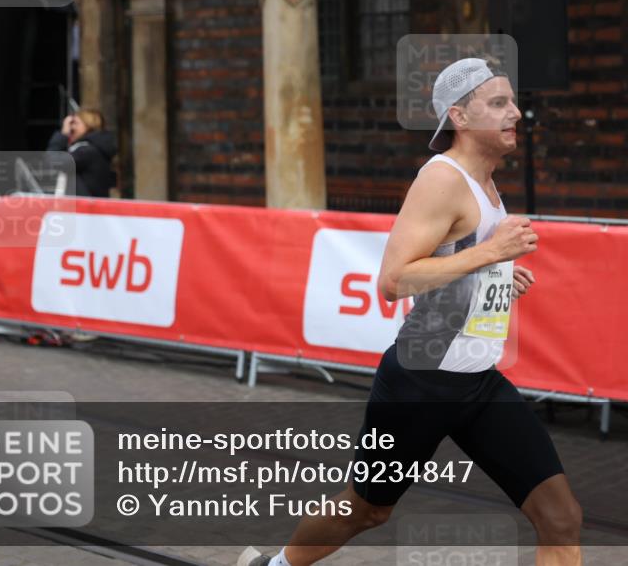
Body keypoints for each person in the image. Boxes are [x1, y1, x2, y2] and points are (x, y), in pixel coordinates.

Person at [240, 58, 582, 566]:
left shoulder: (485, 180)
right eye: (498, 103)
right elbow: (394, 280)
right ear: (460, 118)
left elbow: (449, 261)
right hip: (422, 383)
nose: (516, 112)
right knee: (367, 510)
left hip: (477, 381)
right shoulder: (442, 179)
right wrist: (490, 254)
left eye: (513, 100)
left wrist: (497, 277)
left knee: (560, 518)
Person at [46, 108, 116, 197]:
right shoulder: (94, 149)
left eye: (75, 123)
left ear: (88, 125)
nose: (71, 127)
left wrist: (63, 135)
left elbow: (53, 161)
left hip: (83, 207)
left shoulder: (87, 151)